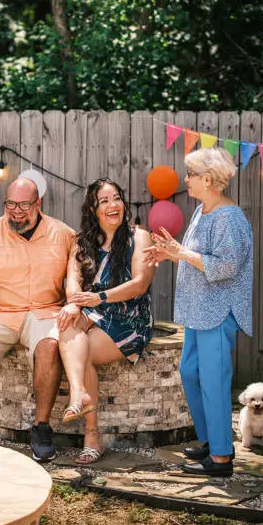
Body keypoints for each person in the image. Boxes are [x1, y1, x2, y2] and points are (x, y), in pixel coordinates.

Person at [144, 147, 253, 477]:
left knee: (213, 381)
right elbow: (194, 255)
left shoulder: (229, 217)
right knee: (191, 374)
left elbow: (227, 267)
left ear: (208, 179)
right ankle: (211, 440)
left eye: (190, 174)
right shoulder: (203, 210)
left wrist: (181, 253)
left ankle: (221, 459)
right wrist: (170, 255)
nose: (186, 179)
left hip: (218, 312)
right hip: (196, 311)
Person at [0, 177, 74, 462]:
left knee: (49, 345)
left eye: (24, 204)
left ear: (38, 204)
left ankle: (41, 427)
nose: (16, 211)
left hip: (45, 311)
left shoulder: (63, 233)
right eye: (10, 204)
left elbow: (82, 271)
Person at [57, 178, 155, 464]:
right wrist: (75, 305)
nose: (113, 205)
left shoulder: (140, 237)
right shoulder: (81, 241)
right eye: (104, 201)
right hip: (90, 311)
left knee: (80, 347)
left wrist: (97, 299)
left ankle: (89, 428)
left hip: (129, 316)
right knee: (67, 323)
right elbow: (72, 283)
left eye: (117, 198)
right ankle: (82, 401)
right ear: (93, 208)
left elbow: (140, 283)